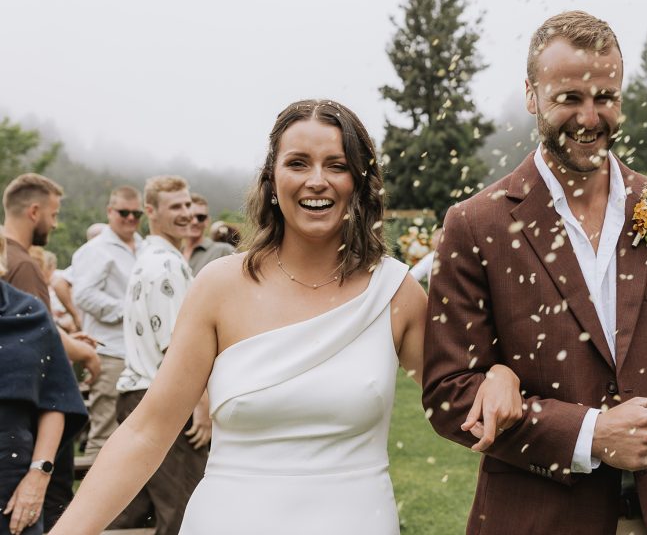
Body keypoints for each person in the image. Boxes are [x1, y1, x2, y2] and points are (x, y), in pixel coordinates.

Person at [49, 99, 522, 535]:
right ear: (271, 178)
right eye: (298, 163)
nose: (317, 180)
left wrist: (500, 373)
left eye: (337, 165)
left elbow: (460, 400)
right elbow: (145, 431)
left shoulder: (395, 292)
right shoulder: (218, 286)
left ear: (359, 180)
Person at [422, 11, 647, 534]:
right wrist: (592, 433)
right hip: (538, 516)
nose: (590, 118)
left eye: (605, 98)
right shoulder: (477, 224)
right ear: (531, 95)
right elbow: (450, 394)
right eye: (570, 98)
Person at [101, 176, 207, 535]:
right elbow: (181, 348)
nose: (187, 214)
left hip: (136, 395)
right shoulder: (166, 266)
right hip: (164, 399)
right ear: (151, 211)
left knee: (131, 517)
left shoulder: (148, 257)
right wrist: (203, 406)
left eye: (188, 204)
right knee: (185, 515)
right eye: (176, 206)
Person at [1, 173, 100, 529]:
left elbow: (39, 335)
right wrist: (84, 352)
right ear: (33, 211)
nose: (56, 224)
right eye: (54, 215)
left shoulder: (16, 266)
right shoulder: (24, 264)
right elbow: (46, 341)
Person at [70, 185, 144, 461]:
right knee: (104, 433)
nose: (130, 219)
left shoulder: (145, 246)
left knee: (136, 435)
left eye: (136, 213)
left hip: (140, 355)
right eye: (123, 212)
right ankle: (91, 504)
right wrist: (130, 309)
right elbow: (84, 295)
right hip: (110, 352)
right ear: (110, 212)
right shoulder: (95, 250)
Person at [182, 193, 234, 275]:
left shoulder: (223, 251)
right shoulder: (174, 253)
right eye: (190, 216)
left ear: (207, 221)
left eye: (200, 217)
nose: (195, 222)